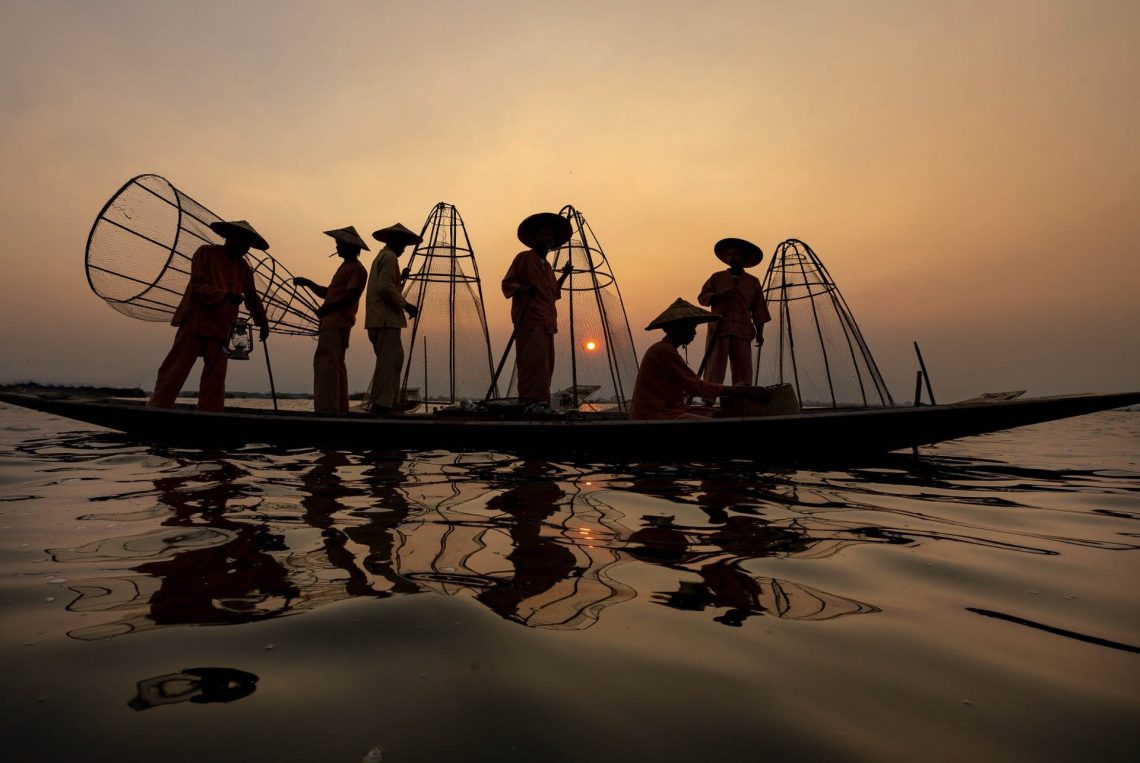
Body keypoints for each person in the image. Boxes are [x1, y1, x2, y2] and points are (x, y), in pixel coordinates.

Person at [147, 220, 270, 412]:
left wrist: (263, 323)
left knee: (216, 376)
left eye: (248, 245)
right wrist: (226, 295)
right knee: (175, 369)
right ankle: (158, 408)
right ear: (230, 238)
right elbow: (198, 287)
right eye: (242, 242)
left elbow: (252, 297)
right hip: (196, 320)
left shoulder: (243, 267)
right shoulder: (205, 253)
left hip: (222, 326)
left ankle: (210, 413)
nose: (245, 248)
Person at [629, 298, 768, 420]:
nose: (694, 332)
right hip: (654, 414)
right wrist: (736, 390)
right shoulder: (663, 351)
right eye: (691, 328)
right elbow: (696, 387)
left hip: (671, 409)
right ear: (677, 329)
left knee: (720, 414)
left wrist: (733, 389)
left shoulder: (667, 349)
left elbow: (692, 385)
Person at [294, 226, 369, 414]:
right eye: (337, 244)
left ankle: (327, 409)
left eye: (340, 244)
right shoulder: (345, 267)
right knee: (334, 363)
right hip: (331, 322)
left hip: (338, 322)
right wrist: (309, 283)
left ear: (351, 246)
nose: (337, 248)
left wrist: (326, 308)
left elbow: (351, 296)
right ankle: (339, 408)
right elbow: (330, 293)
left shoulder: (357, 269)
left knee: (327, 363)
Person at [501, 212, 573, 406]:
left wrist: (564, 275)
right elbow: (507, 283)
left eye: (550, 236)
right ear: (534, 239)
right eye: (543, 235)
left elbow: (552, 294)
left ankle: (541, 404)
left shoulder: (548, 267)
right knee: (531, 366)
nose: (547, 239)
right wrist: (523, 289)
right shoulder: (524, 258)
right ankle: (528, 405)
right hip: (529, 323)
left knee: (546, 367)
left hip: (547, 324)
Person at [364, 222, 422, 414]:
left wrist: (401, 278)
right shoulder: (389, 258)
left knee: (390, 360)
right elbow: (385, 288)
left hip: (379, 319)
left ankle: (386, 403)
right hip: (385, 319)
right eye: (403, 244)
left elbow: (388, 285)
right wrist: (407, 306)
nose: (404, 249)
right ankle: (383, 405)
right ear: (395, 242)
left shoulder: (382, 257)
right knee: (390, 361)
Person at [697, 237, 771, 385]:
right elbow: (702, 298)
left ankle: (742, 399)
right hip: (719, 330)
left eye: (735, 254)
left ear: (743, 257)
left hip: (742, 330)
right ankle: (708, 399)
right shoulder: (717, 278)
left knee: (743, 369)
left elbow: (759, 310)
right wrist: (719, 295)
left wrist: (760, 334)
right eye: (729, 255)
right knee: (714, 366)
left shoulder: (752, 282)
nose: (732, 257)